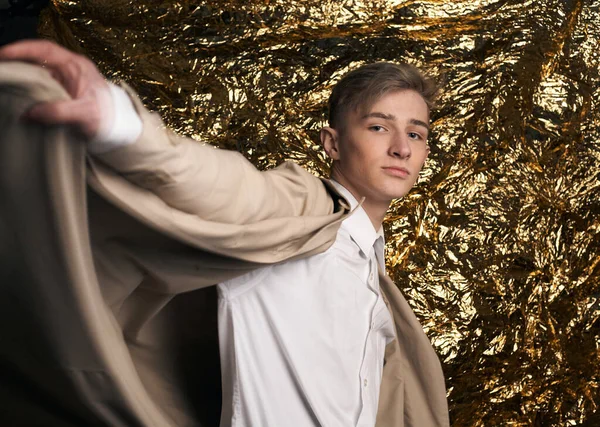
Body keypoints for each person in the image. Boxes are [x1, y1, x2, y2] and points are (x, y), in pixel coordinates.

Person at [0, 40, 449, 426]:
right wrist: (124, 127)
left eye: (417, 132)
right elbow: (231, 188)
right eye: (378, 126)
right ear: (332, 143)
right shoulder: (304, 210)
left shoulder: (373, 270)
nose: (401, 147)